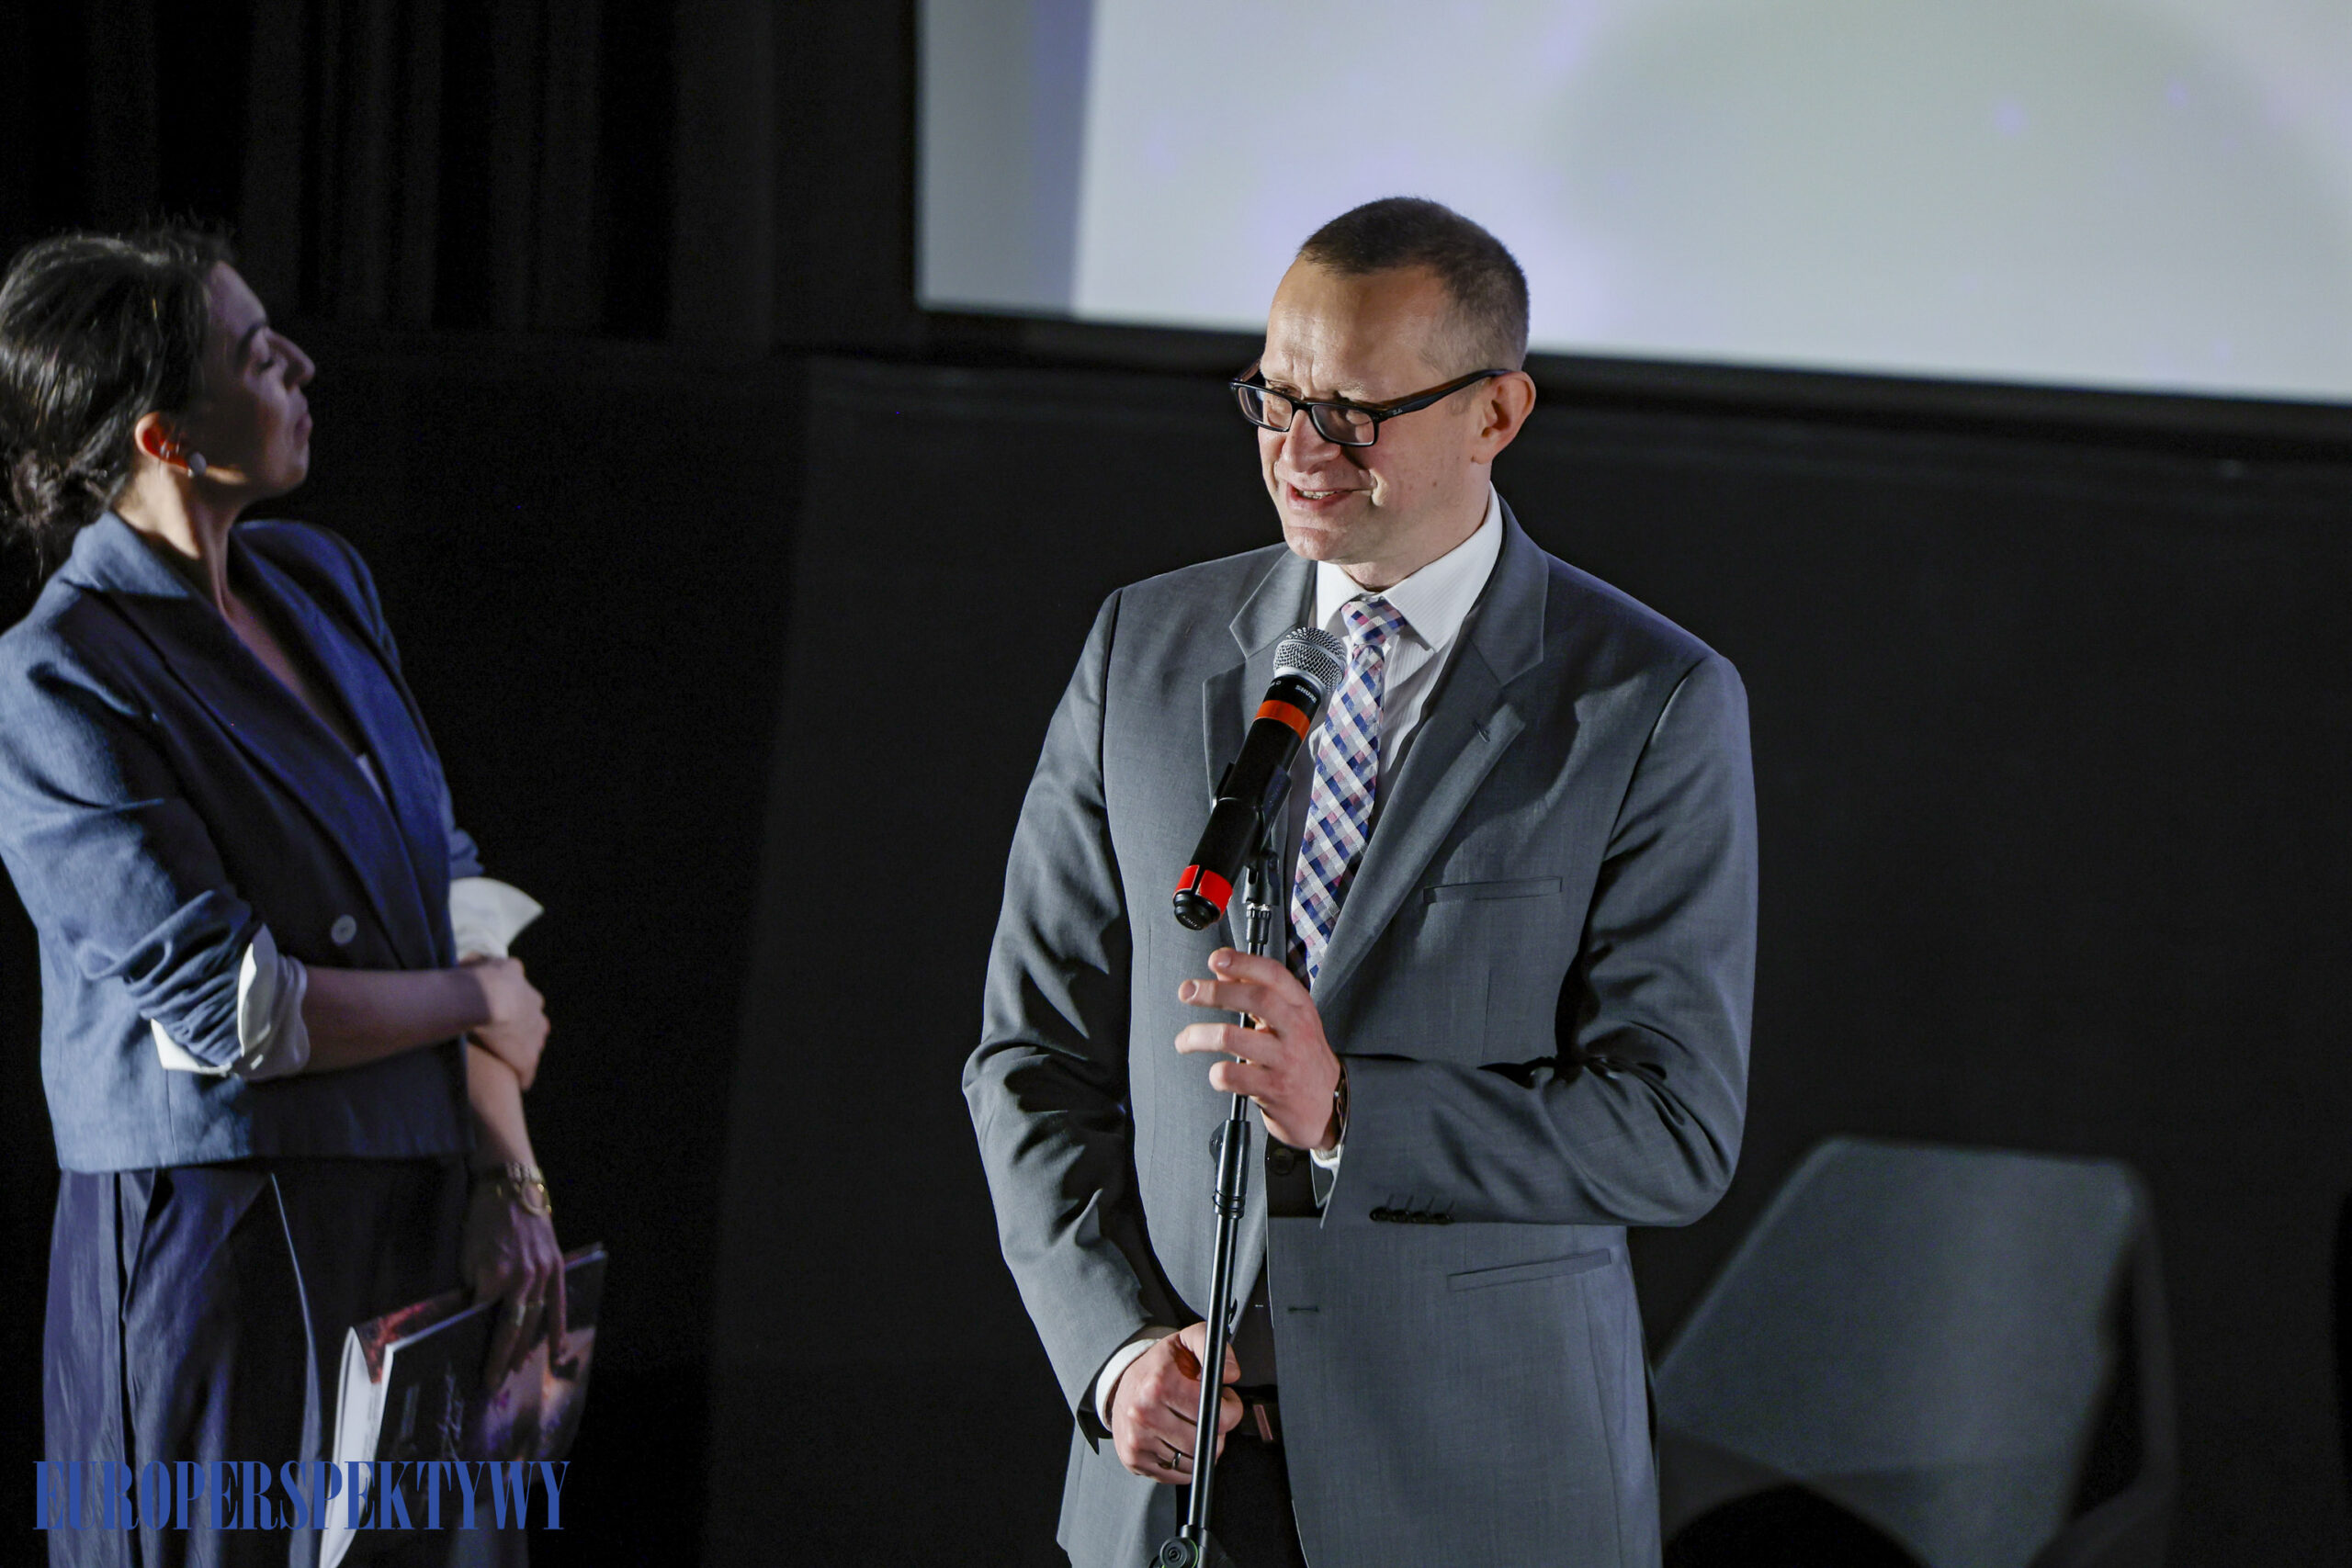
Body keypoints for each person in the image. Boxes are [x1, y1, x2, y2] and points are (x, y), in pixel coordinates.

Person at [966, 197, 1757, 1567]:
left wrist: (1350, 1113)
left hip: (1483, 1484)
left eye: (1352, 414)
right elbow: (1029, 1055)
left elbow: (1671, 1127)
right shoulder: (1144, 652)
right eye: (1274, 401)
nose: (1299, 452)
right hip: (1181, 1480)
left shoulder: (1645, 702)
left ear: (1496, 413)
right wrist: (1112, 1350)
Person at [0, 230, 564, 1568]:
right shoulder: (59, 672)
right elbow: (237, 1011)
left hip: (415, 1207)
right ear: (165, 440)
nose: (303, 365)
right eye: (259, 358)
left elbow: (446, 877)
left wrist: (510, 1172)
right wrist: (472, 1000)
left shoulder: (320, 579)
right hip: (219, 1252)